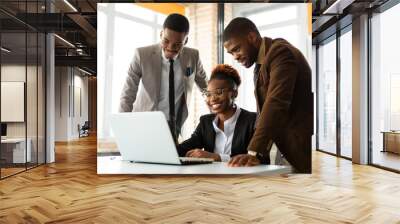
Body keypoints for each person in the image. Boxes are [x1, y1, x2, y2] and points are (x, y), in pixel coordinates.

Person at [223, 17, 313, 173]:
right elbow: (263, 111)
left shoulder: (280, 53)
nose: (235, 57)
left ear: (251, 37)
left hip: (298, 147)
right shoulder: (261, 63)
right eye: (231, 53)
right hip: (282, 145)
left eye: (237, 49)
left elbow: (276, 102)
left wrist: (253, 151)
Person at [119, 13, 207, 143]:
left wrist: (220, 114)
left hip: (174, 125)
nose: (170, 48)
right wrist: (123, 127)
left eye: (177, 44)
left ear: (186, 41)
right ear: (161, 34)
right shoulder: (142, 55)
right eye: (166, 41)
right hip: (145, 122)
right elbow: (128, 93)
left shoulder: (193, 56)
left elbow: (206, 88)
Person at [177, 64, 267, 163]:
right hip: (211, 177)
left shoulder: (253, 121)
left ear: (234, 93)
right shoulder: (206, 122)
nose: (212, 99)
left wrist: (217, 157)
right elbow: (185, 148)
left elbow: (260, 159)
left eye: (219, 92)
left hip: (243, 177)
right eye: (208, 94)